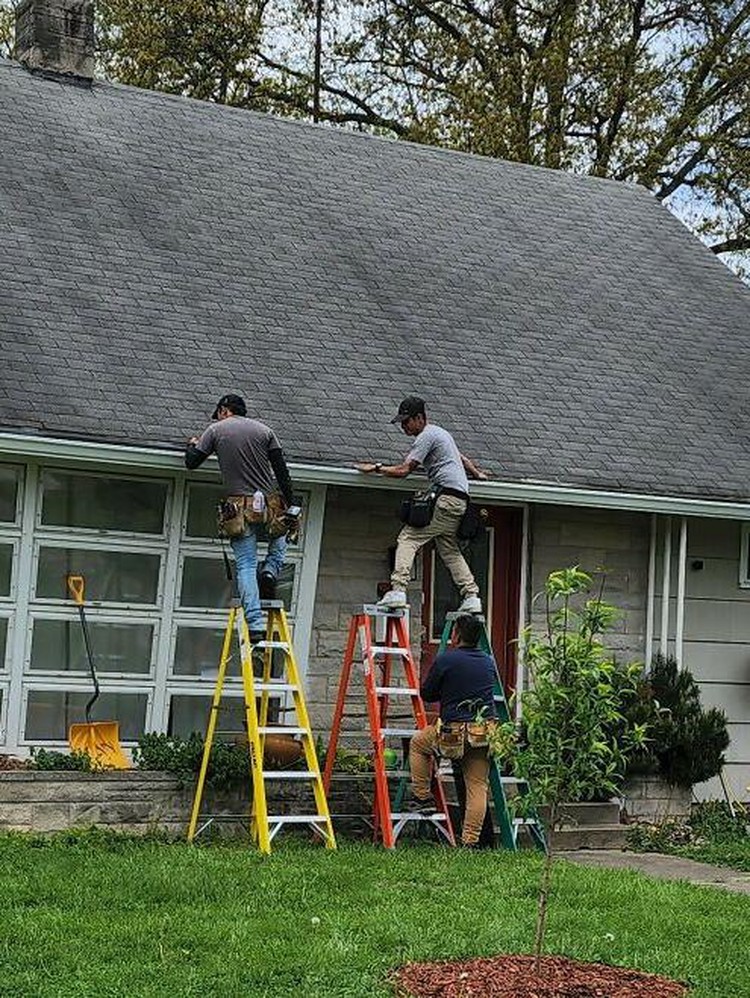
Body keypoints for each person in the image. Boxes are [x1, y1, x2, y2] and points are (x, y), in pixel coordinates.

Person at [355, 395, 487, 612]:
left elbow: (404, 471)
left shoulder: (426, 436)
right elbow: (460, 458)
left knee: (408, 538)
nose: (403, 427)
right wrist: (477, 473)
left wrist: (376, 468)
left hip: (445, 499)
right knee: (450, 550)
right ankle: (472, 596)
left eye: (406, 422)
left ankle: (398, 589)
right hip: (460, 502)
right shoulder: (441, 433)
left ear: (419, 418)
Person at [185, 394, 296, 643]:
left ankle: (255, 624)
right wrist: (292, 504)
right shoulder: (266, 431)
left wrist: (192, 444)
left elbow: (192, 463)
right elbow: (281, 471)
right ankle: (269, 570)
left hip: (238, 508)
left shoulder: (216, 431)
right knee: (279, 542)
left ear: (225, 410)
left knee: (246, 564)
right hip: (268, 504)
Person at [409, 614, 497, 847]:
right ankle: (469, 841)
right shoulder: (488, 661)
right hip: (483, 732)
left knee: (418, 743)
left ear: (456, 634)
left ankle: (422, 796)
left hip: (452, 734)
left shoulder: (446, 660)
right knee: (477, 786)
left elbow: (427, 693)